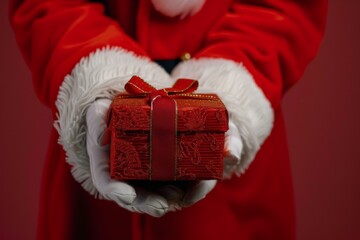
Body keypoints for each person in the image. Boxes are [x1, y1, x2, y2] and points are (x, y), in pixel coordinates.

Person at [10, 0, 327, 239]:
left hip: (234, 170)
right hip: (100, 133)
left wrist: (230, 94)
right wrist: (98, 81)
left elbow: (288, 9)